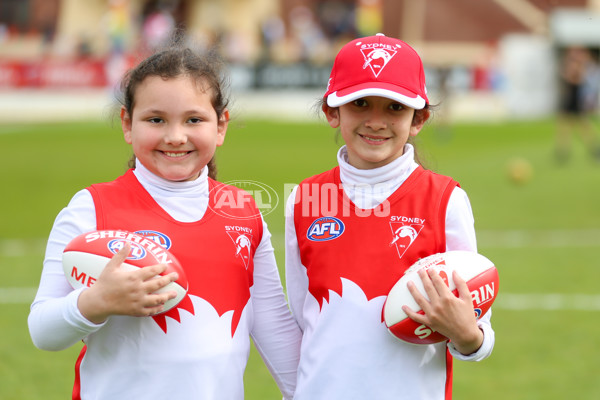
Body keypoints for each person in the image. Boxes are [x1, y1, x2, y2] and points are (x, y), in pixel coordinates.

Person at [28, 44, 301, 400]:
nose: (175, 136)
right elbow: (42, 331)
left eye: (194, 119)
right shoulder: (91, 208)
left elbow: (274, 326)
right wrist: (97, 301)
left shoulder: (243, 210)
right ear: (127, 123)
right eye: (156, 119)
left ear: (221, 125)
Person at [285, 34, 495, 399]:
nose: (376, 121)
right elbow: (303, 321)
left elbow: (478, 333)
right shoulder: (305, 199)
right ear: (332, 112)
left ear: (420, 119)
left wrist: (466, 335)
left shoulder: (446, 200)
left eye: (395, 108)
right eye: (361, 103)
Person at [555, 46, 600, 163]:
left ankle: (594, 147)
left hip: (574, 99)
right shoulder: (573, 64)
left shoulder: (579, 66)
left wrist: (571, 71)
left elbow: (574, 79)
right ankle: (563, 150)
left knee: (582, 125)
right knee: (566, 126)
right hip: (570, 98)